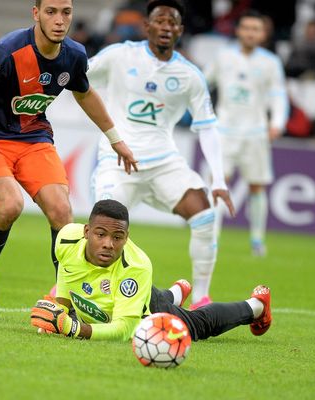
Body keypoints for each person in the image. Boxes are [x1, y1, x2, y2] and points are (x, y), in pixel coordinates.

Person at [0, 0, 138, 319]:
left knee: (63, 211)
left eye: (66, 12)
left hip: (34, 138)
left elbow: (85, 93)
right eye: (51, 12)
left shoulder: (74, 55)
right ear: (36, 14)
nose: (59, 20)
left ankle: (65, 298)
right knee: (9, 206)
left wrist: (116, 139)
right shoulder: (6, 51)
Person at [89, 0, 235, 310]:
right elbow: (80, 80)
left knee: (204, 213)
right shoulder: (119, 56)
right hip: (117, 162)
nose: (166, 26)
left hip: (164, 162)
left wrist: (219, 179)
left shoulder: (189, 75)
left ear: (180, 30)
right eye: (160, 20)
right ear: (147, 26)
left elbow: (207, 127)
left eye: (173, 22)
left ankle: (201, 298)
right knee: (103, 228)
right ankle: (79, 286)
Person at [30, 199, 272, 341]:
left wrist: (73, 328)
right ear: (86, 232)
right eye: (100, 234)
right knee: (106, 302)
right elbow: (67, 270)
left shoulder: (136, 266)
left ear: (127, 237)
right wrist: (61, 305)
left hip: (146, 308)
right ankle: (177, 292)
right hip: (115, 299)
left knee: (197, 325)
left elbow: (125, 329)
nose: (108, 244)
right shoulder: (66, 238)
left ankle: (256, 306)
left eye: (118, 237)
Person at [204, 10, 288, 257]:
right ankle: (212, 238)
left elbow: (278, 95)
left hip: (255, 133)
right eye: (247, 28)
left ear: (263, 34)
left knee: (257, 186)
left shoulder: (271, 62)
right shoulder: (224, 57)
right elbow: (202, 84)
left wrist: (278, 123)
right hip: (224, 131)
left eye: (256, 29)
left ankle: (257, 240)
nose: (251, 33)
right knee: (218, 183)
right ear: (238, 30)